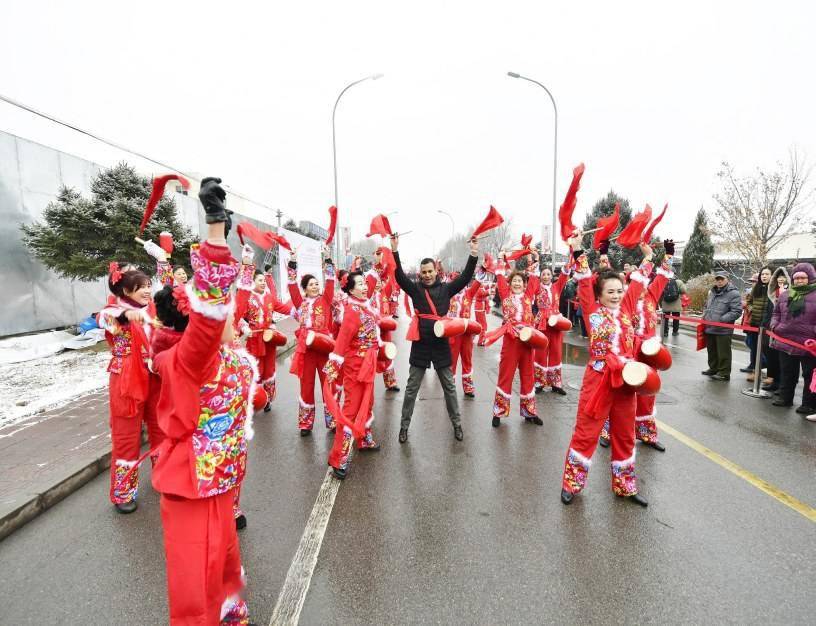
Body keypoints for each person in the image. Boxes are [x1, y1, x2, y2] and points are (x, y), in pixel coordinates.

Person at [150, 177, 251, 624]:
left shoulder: (228, 358)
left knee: (224, 562)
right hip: (192, 481)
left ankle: (231, 615)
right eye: (223, 310)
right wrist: (214, 231)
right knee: (197, 579)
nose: (233, 314)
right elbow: (211, 311)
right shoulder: (195, 358)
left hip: (219, 478)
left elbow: (245, 396)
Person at [560, 238, 655, 507]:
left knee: (625, 433)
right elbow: (584, 280)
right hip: (599, 379)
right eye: (610, 291)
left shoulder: (625, 310)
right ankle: (571, 484)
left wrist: (648, 257)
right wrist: (578, 248)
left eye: (618, 291)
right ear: (599, 295)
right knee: (587, 431)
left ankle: (625, 486)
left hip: (625, 379)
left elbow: (637, 284)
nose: (616, 295)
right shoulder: (591, 312)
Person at [391, 234, 479, 443]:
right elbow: (400, 277)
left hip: (440, 345)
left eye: (430, 271)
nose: (427, 275)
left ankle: (457, 425)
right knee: (411, 389)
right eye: (424, 272)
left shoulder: (446, 289)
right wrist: (395, 250)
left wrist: (474, 253)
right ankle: (404, 427)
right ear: (420, 274)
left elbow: (466, 277)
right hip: (420, 345)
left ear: (435, 271)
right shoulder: (415, 290)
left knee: (449, 388)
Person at [97, 260, 164, 514]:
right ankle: (123, 492)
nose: (147, 291)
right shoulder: (114, 311)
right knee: (126, 436)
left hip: (155, 377)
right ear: (125, 291)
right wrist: (126, 315)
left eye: (148, 286)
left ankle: (163, 476)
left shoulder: (152, 309)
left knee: (161, 428)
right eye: (140, 287)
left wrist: (164, 260)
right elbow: (104, 318)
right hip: (127, 380)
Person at [324, 271, 383, 479]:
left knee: (368, 403)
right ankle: (338, 458)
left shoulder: (366, 306)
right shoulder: (351, 311)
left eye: (365, 283)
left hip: (368, 363)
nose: (365, 287)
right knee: (350, 409)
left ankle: (364, 438)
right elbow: (342, 342)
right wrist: (333, 367)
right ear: (350, 289)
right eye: (359, 284)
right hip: (355, 367)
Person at [488, 248, 541, 426]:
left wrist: (534, 258)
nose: (517, 283)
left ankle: (530, 412)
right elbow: (500, 276)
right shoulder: (505, 295)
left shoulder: (528, 296)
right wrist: (501, 257)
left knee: (528, 375)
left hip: (527, 340)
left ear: (524, 285)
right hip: (510, 340)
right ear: (510, 284)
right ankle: (498, 412)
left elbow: (534, 277)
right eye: (515, 281)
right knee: (506, 375)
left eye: (520, 281)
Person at [236, 247, 293, 412]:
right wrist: (244, 326)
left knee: (270, 369)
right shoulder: (247, 297)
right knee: (257, 369)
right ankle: (256, 399)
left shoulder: (268, 297)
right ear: (252, 282)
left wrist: (294, 311)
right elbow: (237, 315)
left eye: (263, 280)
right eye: (259, 280)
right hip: (254, 339)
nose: (263, 282)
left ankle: (267, 398)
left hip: (269, 338)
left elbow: (280, 307)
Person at [287, 250, 337, 435]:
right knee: (306, 385)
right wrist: (292, 262)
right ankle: (305, 424)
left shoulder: (326, 300)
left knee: (328, 384)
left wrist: (328, 259)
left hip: (324, 347)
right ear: (305, 289)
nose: (316, 286)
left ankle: (332, 420)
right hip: (306, 349)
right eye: (311, 285)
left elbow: (330, 281)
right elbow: (292, 286)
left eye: (317, 284)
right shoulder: (300, 303)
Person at [768, 263, 816, 414]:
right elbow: (776, 313)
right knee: (787, 371)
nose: (799, 281)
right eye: (797, 278)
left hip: (808, 343)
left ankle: (809, 404)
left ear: (810, 278)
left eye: (803, 278)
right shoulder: (786, 294)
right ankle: (785, 398)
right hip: (786, 341)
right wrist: (775, 326)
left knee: (809, 375)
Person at [534, 265, 570, 395]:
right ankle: (539, 383)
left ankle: (556, 383)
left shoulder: (556, 287)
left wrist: (572, 255)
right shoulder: (536, 288)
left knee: (556, 351)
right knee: (540, 352)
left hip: (555, 322)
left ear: (551, 276)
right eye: (543, 274)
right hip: (542, 322)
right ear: (540, 276)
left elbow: (564, 275)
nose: (546, 276)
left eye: (548, 274)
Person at [701, 270, 742, 381]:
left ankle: (724, 372)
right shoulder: (712, 292)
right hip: (710, 327)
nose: (719, 281)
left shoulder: (734, 293)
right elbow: (707, 306)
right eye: (717, 279)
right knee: (712, 350)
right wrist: (705, 316)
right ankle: (713, 368)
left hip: (723, 329)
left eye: (722, 279)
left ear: (727, 279)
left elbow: (737, 311)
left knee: (723, 352)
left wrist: (722, 320)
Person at [447, 276, 484, 397]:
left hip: (467, 333)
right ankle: (450, 387)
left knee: (467, 360)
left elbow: (477, 282)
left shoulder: (468, 293)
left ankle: (468, 387)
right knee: (451, 361)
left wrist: (483, 268)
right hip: (453, 333)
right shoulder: (448, 295)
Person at [761, 269, 790, 393]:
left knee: (782, 359)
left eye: (783, 277)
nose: (781, 279)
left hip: (784, 331)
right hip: (770, 329)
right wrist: (763, 325)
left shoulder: (791, 293)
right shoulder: (772, 292)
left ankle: (782, 385)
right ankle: (775, 381)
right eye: (778, 277)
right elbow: (768, 311)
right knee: (771, 356)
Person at [742, 266, 773, 380]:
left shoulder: (774, 289)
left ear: (772, 275)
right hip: (755, 323)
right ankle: (756, 372)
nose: (764, 276)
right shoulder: (756, 288)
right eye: (762, 274)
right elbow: (749, 302)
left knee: (768, 351)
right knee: (755, 349)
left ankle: (771, 376)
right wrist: (751, 309)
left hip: (768, 325)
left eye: (767, 274)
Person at [660, 271, 686, 337]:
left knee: (665, 319)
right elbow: (683, 290)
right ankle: (675, 332)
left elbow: (660, 292)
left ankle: (665, 332)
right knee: (676, 318)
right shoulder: (679, 282)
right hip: (676, 303)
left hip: (666, 303)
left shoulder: (663, 281)